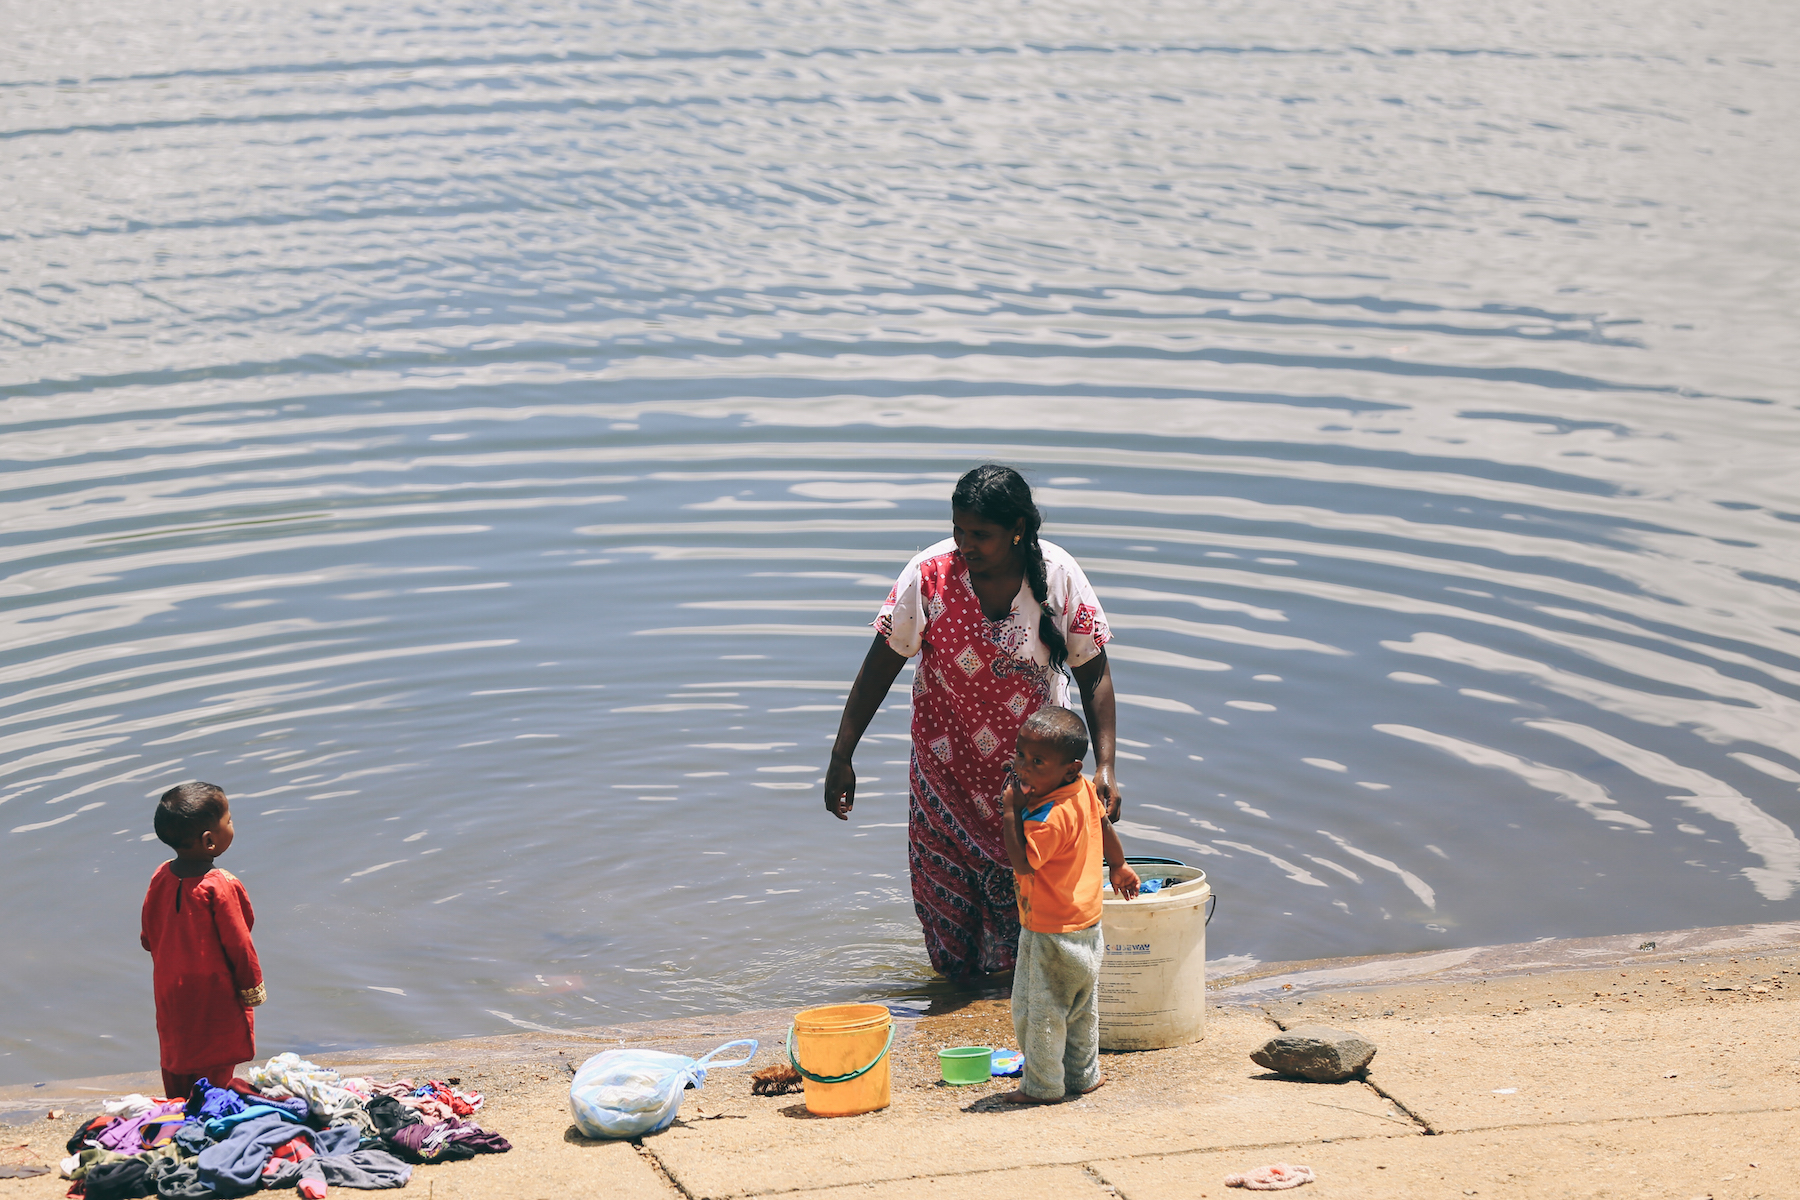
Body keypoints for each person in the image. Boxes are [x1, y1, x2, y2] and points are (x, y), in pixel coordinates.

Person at [824, 463, 1120, 979]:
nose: (965, 545)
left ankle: (1015, 1024)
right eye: (959, 530)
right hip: (945, 776)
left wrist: (1107, 766)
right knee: (948, 930)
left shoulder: (1058, 576)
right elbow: (881, 664)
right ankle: (959, 1010)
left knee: (1029, 928)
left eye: (981, 535)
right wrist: (841, 755)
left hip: (1034, 784)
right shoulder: (930, 575)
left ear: (1017, 530)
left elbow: (1093, 673)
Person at [998, 706, 1139, 1103]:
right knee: (1079, 1007)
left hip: (1049, 930)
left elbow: (1023, 862)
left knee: (1039, 1011)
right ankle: (1083, 1075)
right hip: (1087, 925)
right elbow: (1104, 825)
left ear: (1070, 768)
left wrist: (1011, 810)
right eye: (1020, 755)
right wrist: (1120, 866)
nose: (1023, 768)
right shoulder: (1081, 792)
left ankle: (1042, 1086)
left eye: (1037, 761)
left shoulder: (1047, 816)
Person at [140, 782, 265, 1099]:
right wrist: (252, 987)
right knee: (216, 1056)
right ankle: (210, 1109)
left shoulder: (160, 875)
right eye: (229, 820)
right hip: (213, 991)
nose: (232, 825)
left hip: (170, 987)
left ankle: (177, 1104)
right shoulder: (221, 885)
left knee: (177, 1049)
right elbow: (240, 942)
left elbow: (147, 935)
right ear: (209, 840)